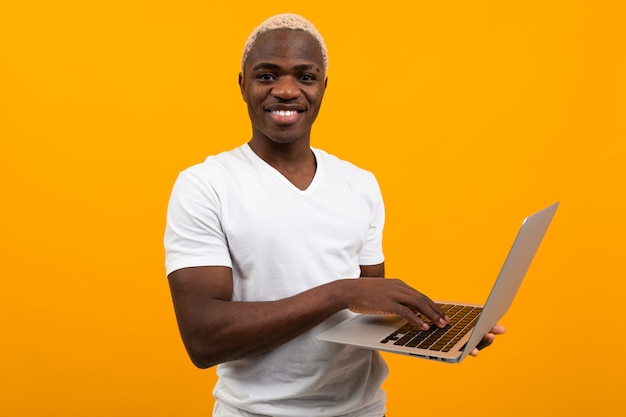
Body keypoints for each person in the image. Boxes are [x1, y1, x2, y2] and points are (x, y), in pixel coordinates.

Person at [164, 13, 505, 417]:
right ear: (243, 85)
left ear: (323, 86)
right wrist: (339, 291)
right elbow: (204, 339)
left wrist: (439, 333)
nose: (287, 90)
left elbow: (368, 311)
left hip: (362, 409)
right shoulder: (205, 185)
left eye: (305, 77)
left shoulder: (359, 183)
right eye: (268, 75)